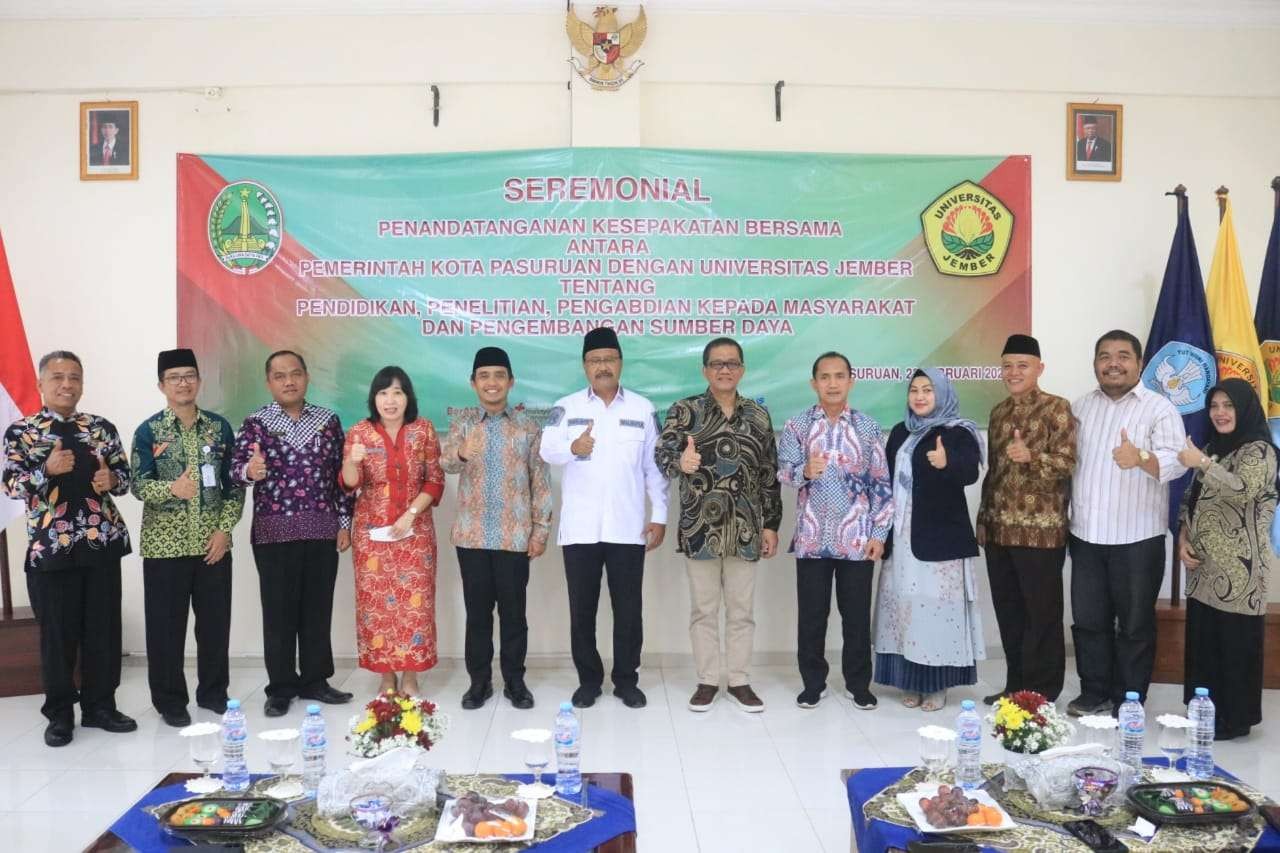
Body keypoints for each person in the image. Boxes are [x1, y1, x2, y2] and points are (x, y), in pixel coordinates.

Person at [3, 351, 137, 747]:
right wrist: (46, 470)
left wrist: (111, 478)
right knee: (57, 636)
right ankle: (60, 715)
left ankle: (101, 707)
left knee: (103, 631)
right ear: (42, 384)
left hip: (101, 541)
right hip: (51, 548)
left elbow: (126, 480)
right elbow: (11, 485)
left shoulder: (100, 428)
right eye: (58, 377)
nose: (67, 384)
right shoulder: (22, 432)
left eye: (74, 377)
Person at [540, 327, 668, 709]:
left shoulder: (642, 409)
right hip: (580, 528)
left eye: (609, 359)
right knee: (583, 610)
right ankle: (589, 681)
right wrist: (572, 447)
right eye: (595, 360)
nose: (602, 366)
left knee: (629, 610)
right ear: (584, 366)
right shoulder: (566, 407)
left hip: (628, 527)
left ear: (621, 363)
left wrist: (659, 515)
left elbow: (655, 468)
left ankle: (627, 680)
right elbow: (547, 449)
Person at [656, 337, 782, 713]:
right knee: (703, 610)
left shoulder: (758, 416)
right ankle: (708, 679)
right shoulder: (685, 411)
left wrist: (771, 524)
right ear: (705, 370)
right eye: (716, 364)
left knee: (742, 611)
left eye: (731, 363)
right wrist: (682, 463)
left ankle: (740, 680)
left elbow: (769, 474)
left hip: (746, 528)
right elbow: (661, 455)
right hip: (700, 530)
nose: (724, 369)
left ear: (742, 369)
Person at [230, 350, 354, 717]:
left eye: (295, 373)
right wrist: (249, 471)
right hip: (273, 533)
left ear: (307, 377)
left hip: (321, 529)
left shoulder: (327, 422)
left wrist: (345, 524)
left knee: (317, 609)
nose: (289, 381)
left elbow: (343, 478)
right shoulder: (256, 423)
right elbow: (233, 471)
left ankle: (316, 680)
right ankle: (281, 686)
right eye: (280, 376)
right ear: (269, 382)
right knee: (279, 612)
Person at [1068, 330, 1185, 717]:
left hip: (1138, 536)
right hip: (1086, 534)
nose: (1113, 363)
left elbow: (1174, 462)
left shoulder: (1159, 408)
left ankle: (1129, 699)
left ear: (1138, 363)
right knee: (1088, 621)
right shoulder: (1080, 407)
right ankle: (1093, 691)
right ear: (1095, 364)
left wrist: (1141, 458)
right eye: (1104, 356)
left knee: (1135, 625)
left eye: (1123, 356)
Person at [130, 348, 245, 727]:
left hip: (212, 545)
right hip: (165, 547)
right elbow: (138, 484)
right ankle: (169, 701)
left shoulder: (219, 428)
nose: (183, 383)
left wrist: (224, 530)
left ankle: (213, 693)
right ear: (161, 385)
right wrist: (171, 490)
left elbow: (235, 485)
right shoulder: (149, 431)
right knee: (165, 627)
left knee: (214, 625)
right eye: (175, 377)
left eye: (189, 375)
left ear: (199, 381)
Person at [776, 351, 891, 711]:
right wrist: (803, 472)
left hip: (857, 540)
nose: (832, 383)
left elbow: (881, 484)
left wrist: (879, 534)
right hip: (812, 539)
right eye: (825, 377)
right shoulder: (797, 426)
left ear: (851, 381)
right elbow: (782, 473)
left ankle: (859, 685)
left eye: (839, 376)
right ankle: (813, 684)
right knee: (812, 616)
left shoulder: (868, 427)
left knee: (856, 617)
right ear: (814, 383)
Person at [440, 346, 553, 711]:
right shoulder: (461, 425)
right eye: (484, 376)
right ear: (473, 383)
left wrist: (540, 530)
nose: (492, 382)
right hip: (472, 537)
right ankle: (479, 683)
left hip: (514, 537)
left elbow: (541, 481)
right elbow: (446, 465)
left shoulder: (527, 428)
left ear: (510, 382)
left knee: (514, 614)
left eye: (499, 375)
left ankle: (515, 682)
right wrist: (460, 453)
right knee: (477, 614)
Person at [873, 368, 985, 712]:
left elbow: (969, 472)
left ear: (942, 394)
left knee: (937, 612)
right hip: (902, 537)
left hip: (940, 543)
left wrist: (946, 462)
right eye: (914, 390)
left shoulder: (958, 432)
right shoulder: (900, 433)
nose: (920, 396)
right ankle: (910, 680)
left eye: (927, 390)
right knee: (905, 609)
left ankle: (937, 686)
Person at [975, 334, 1077, 704]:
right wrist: (983, 518)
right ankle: (1015, 685)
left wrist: (1031, 455)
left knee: (1042, 616)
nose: (1013, 372)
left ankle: (1043, 691)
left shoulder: (1057, 408)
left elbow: (1067, 464)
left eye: (1022, 365)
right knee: (1010, 613)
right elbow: (994, 472)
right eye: (1007, 365)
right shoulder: (999, 412)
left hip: (1041, 532)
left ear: (1039, 369)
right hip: (1000, 530)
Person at [1176, 379, 1276, 740]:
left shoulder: (1260, 450)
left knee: (1234, 644)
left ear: (1245, 409)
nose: (1220, 413)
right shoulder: (1213, 447)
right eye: (1215, 406)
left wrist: (1201, 462)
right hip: (1204, 569)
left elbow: (1243, 490)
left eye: (1228, 406)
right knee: (1206, 642)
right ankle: (1202, 713)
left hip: (1241, 572)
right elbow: (1190, 498)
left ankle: (1234, 719)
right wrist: (1183, 537)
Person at [341, 366, 444, 697]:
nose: (390, 399)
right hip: (372, 536)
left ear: (407, 397)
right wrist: (352, 462)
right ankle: (386, 677)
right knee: (376, 608)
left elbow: (434, 479)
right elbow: (349, 484)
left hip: (415, 534)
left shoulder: (423, 430)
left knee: (417, 605)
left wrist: (411, 514)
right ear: (374, 398)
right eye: (383, 392)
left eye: (397, 392)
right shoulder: (359, 432)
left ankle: (411, 676)